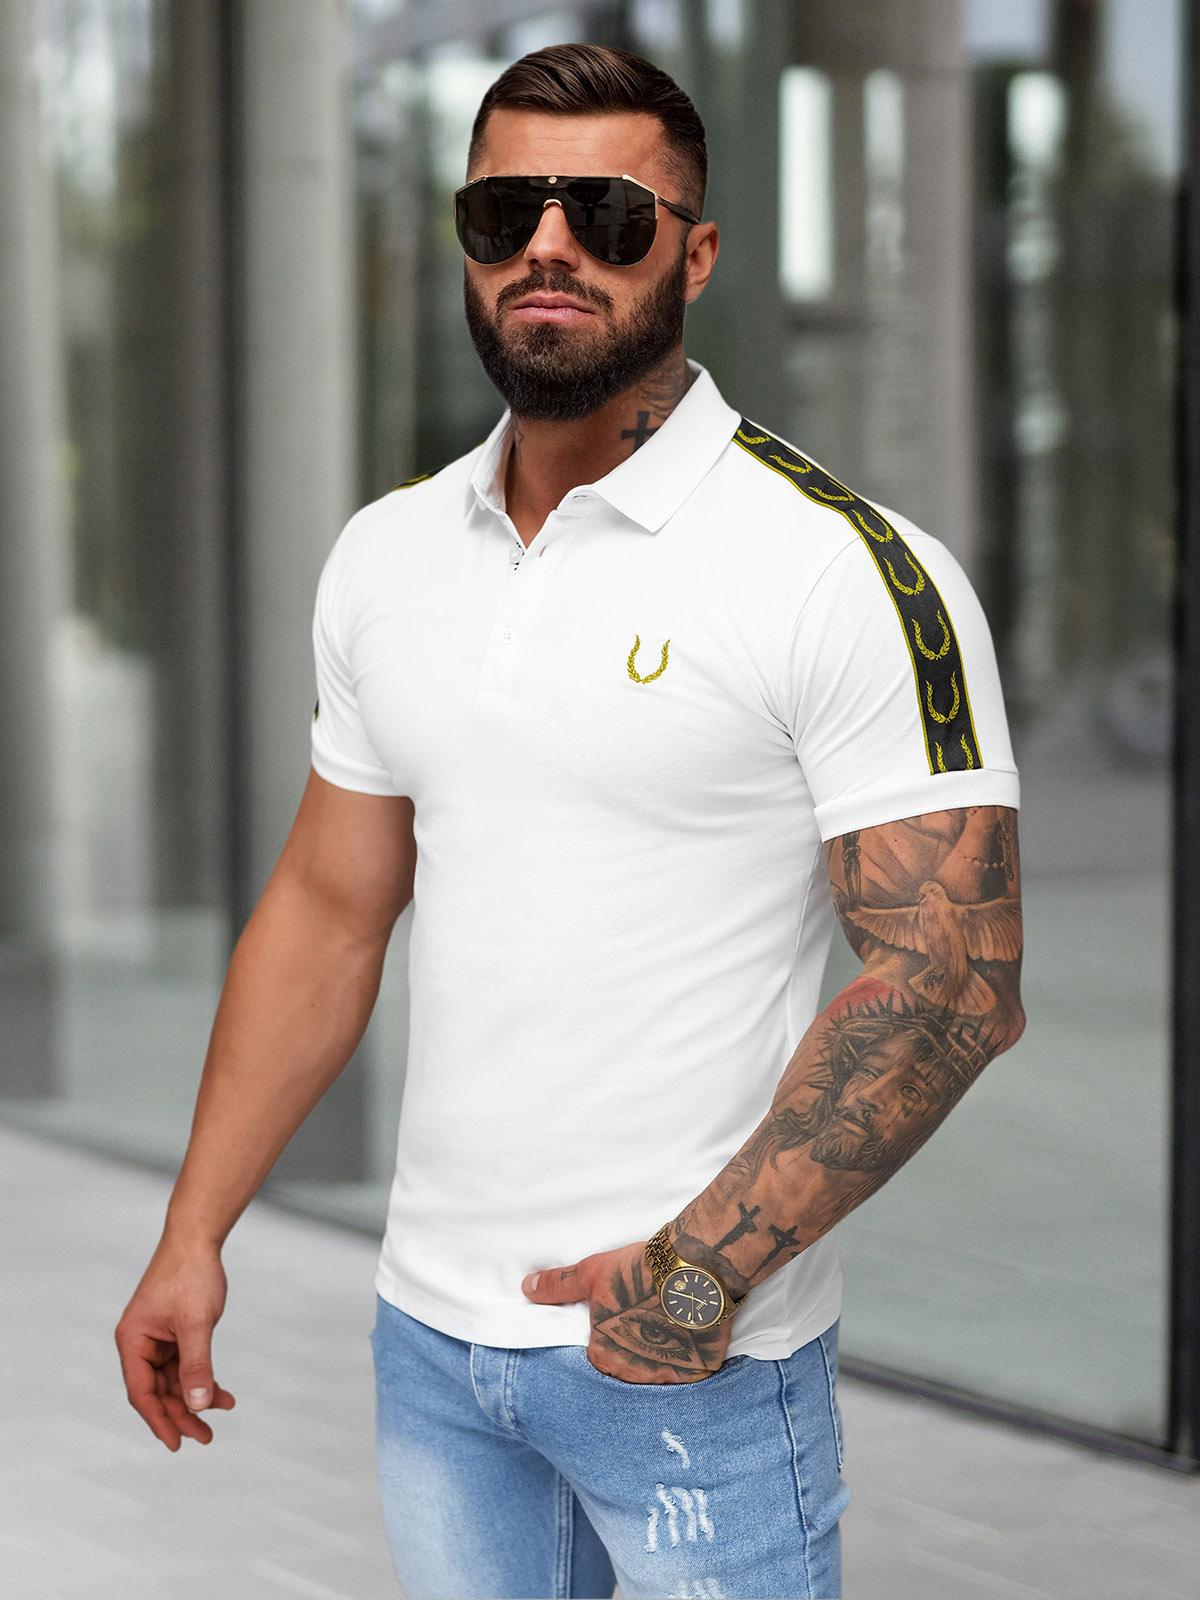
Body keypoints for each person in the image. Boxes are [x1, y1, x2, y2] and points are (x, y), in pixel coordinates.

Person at [116, 42, 1025, 1600]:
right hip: (433, 1348)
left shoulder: (843, 570)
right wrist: (194, 1231)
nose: (549, 246)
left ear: (696, 253)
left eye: (607, 214)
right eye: (505, 212)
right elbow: (329, 914)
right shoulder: (391, 555)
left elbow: (954, 980)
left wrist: (701, 1274)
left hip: (697, 1364)